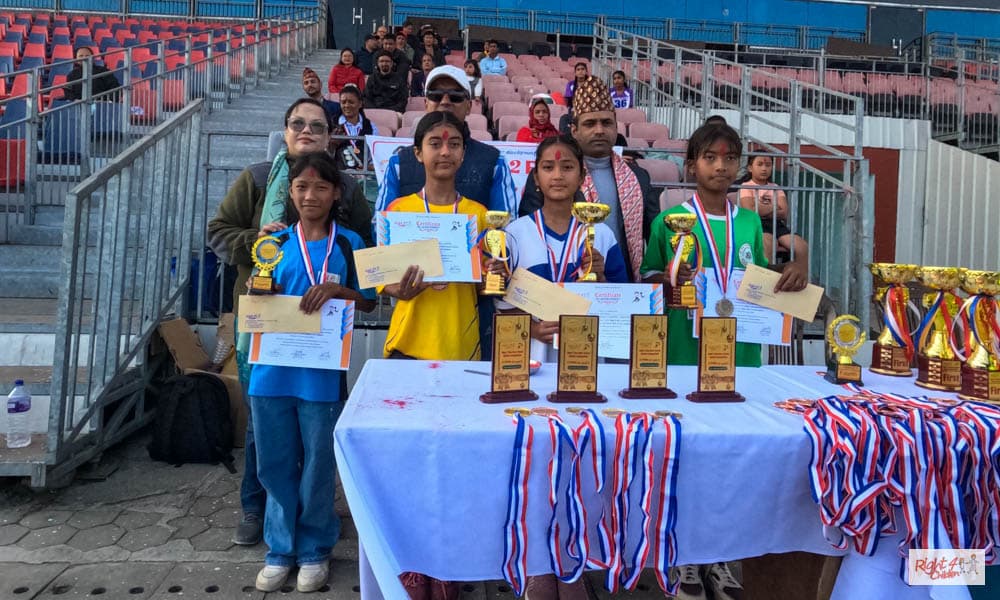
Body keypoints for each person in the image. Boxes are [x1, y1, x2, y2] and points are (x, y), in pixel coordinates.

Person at [639, 123, 806, 600]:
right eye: (709, 157)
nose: (721, 166)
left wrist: (794, 273)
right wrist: (669, 278)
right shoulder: (668, 221)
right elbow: (649, 276)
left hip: (740, 354)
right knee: (687, 454)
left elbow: (764, 280)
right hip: (684, 352)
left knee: (734, 456)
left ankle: (723, 557)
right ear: (691, 164)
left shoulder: (752, 222)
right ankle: (684, 558)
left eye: (730, 158)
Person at [206, 98, 375, 550]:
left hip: (323, 339)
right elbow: (218, 230)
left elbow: (364, 252)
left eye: (316, 126)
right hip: (264, 325)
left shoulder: (350, 191)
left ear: (329, 135)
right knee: (265, 423)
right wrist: (257, 244)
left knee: (317, 430)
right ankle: (255, 507)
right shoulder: (258, 178)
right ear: (284, 131)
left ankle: (312, 514)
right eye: (297, 123)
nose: (306, 131)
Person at [249, 152, 376, 593]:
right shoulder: (273, 243)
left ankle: (315, 550)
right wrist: (256, 292)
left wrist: (341, 289)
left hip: (321, 375)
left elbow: (371, 298)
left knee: (318, 464)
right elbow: (258, 296)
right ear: (291, 192)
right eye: (302, 187)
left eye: (321, 187)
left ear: (336, 192)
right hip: (271, 372)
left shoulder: (351, 243)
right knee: (276, 462)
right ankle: (279, 549)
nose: (310, 195)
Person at [497, 135, 628, 367]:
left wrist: (602, 278)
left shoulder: (602, 235)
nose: (557, 176)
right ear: (536, 177)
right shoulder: (514, 234)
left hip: (586, 351)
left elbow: (621, 303)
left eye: (567, 167)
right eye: (548, 168)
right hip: (531, 352)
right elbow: (501, 303)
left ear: (582, 177)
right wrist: (532, 328)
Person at [519, 77, 659, 283]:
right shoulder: (554, 176)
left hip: (620, 286)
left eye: (607, 122)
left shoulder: (638, 177)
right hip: (557, 285)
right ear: (574, 130)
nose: (600, 130)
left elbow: (654, 238)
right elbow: (532, 233)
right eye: (590, 123)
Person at [381, 111, 488, 363]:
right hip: (406, 344)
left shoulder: (478, 215)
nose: (445, 152)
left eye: (454, 144)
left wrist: (492, 274)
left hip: (460, 343)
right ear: (418, 153)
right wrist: (398, 290)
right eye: (435, 144)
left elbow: (485, 285)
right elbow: (382, 278)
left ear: (463, 154)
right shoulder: (397, 211)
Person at [375, 64, 516, 215]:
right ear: (426, 103)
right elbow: (381, 224)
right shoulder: (399, 162)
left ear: (469, 106)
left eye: (455, 96)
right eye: (436, 95)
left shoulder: (494, 162)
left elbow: (506, 226)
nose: (445, 102)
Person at [737, 154, 809, 265]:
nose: (764, 168)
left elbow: (784, 212)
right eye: (760, 164)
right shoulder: (746, 186)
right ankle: (766, 279)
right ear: (750, 168)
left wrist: (761, 209)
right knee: (768, 243)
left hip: (777, 224)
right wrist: (774, 207)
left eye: (768, 165)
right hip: (757, 224)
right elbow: (751, 210)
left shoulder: (775, 187)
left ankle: (798, 280)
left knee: (801, 246)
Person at [331, 84, 378, 171]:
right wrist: (332, 145)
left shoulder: (371, 127)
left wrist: (367, 167)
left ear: (360, 104)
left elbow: (374, 156)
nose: (347, 105)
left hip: (363, 175)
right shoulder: (332, 124)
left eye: (351, 102)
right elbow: (325, 155)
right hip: (338, 174)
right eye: (343, 102)